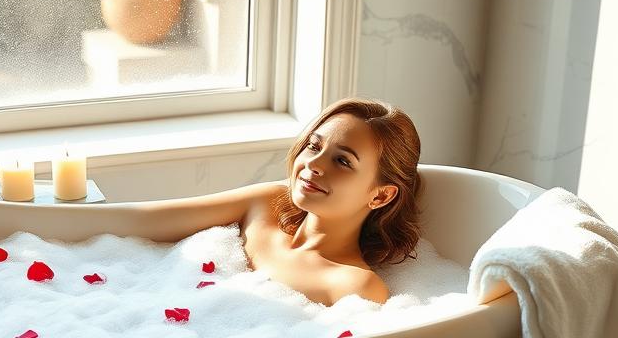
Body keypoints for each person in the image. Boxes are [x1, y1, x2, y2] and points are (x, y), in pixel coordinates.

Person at [130, 97, 423, 305]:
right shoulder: (265, 205)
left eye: (343, 161)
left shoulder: (354, 286)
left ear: (381, 195)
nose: (314, 164)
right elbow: (142, 223)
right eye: (314, 145)